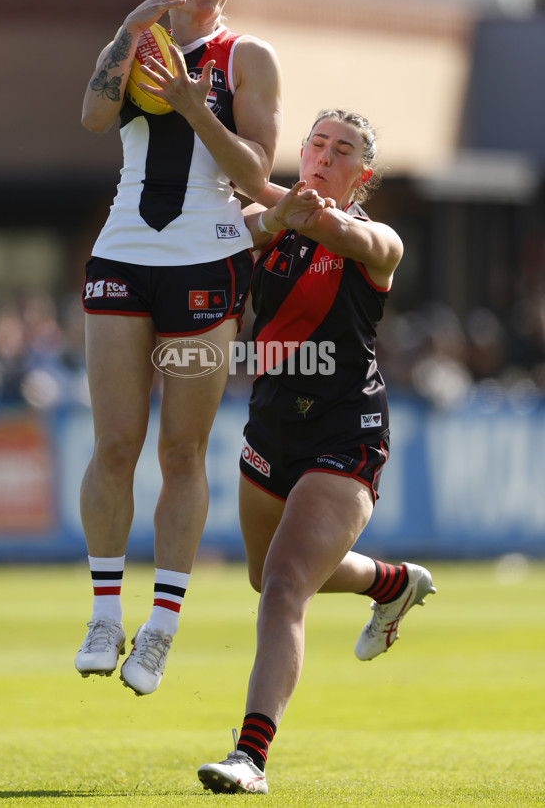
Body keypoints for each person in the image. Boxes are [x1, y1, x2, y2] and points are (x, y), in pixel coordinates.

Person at [197, 109, 436, 794]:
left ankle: (250, 757)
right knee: (264, 575)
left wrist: (289, 211)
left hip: (346, 431)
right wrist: (267, 214)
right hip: (271, 427)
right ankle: (391, 582)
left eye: (344, 151)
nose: (326, 156)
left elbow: (339, 230)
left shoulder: (374, 238)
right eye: (318, 144)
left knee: (282, 587)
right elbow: (221, 239)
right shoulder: (264, 216)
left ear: (364, 174)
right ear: (300, 152)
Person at [74, 0, 282, 696]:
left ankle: (160, 627)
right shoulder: (134, 43)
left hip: (207, 260)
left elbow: (258, 177)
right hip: (124, 253)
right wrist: (131, 31)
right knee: (116, 441)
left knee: (183, 453)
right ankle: (104, 613)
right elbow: (95, 120)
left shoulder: (247, 57)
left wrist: (197, 110)